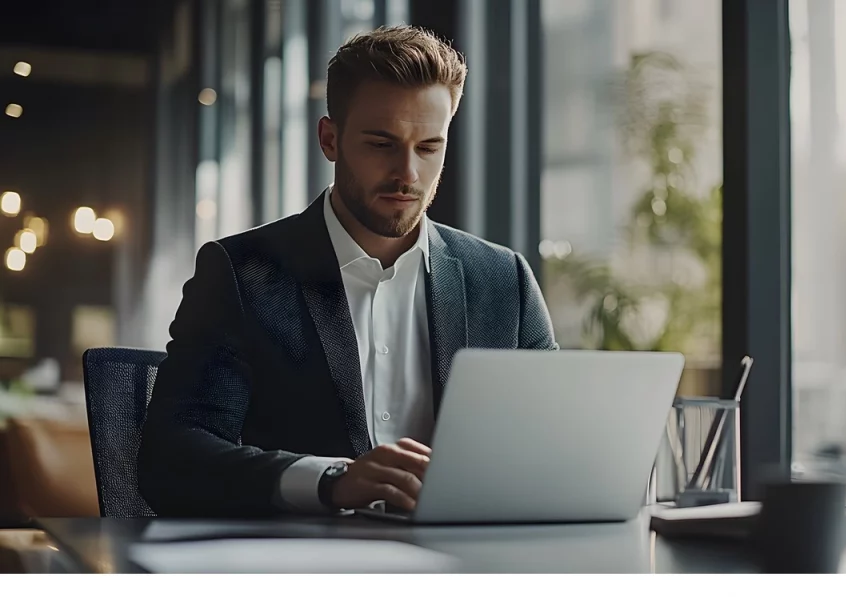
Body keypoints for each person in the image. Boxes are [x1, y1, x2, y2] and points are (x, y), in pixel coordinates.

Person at [137, 25, 558, 517]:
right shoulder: (240, 273)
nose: (408, 174)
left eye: (428, 147)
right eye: (382, 144)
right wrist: (330, 481)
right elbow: (170, 459)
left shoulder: (504, 281)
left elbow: (553, 444)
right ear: (330, 139)